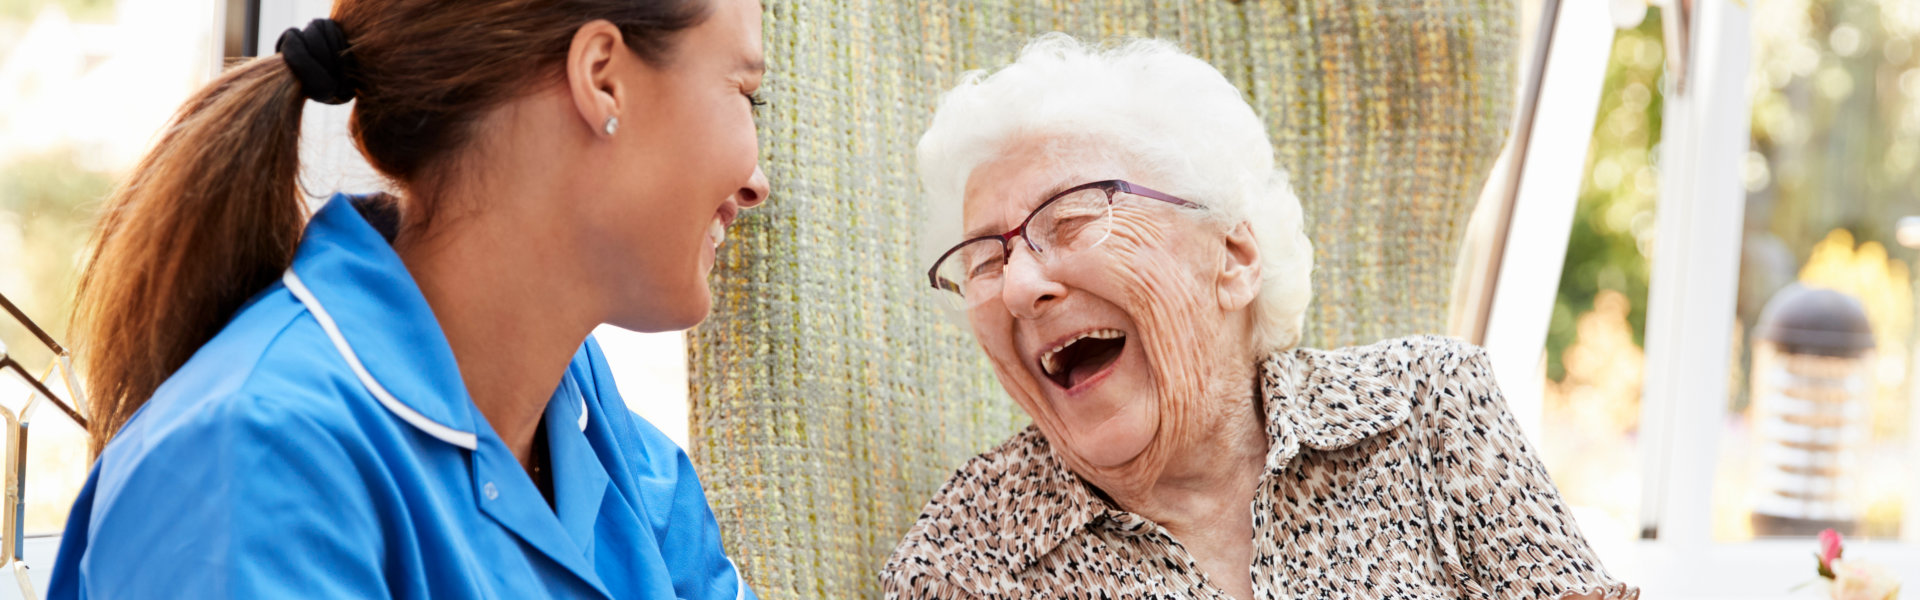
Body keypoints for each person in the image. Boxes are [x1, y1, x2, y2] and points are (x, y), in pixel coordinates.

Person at [50, 0, 769, 597]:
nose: (757, 183)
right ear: (602, 78)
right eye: (745, 92)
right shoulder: (252, 462)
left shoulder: (600, 440)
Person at [881, 35, 1637, 600]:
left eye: (1073, 218)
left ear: (1234, 259)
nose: (1018, 287)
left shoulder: (1427, 407)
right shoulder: (965, 562)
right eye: (984, 259)